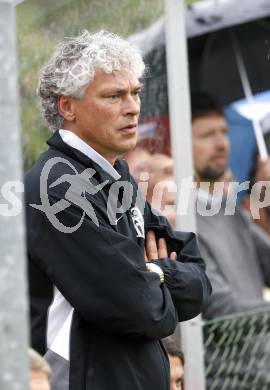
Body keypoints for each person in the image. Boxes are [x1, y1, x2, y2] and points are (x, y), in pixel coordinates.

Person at [25, 31, 211, 390]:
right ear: (67, 106)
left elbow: (200, 281)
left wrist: (153, 271)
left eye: (135, 93)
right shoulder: (57, 184)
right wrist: (159, 278)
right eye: (114, 96)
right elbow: (141, 309)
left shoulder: (114, 175)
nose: (133, 107)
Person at [191, 92, 270, 319]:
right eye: (207, 135)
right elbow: (220, 307)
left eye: (223, 132)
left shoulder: (230, 208)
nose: (221, 144)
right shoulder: (182, 221)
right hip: (227, 353)